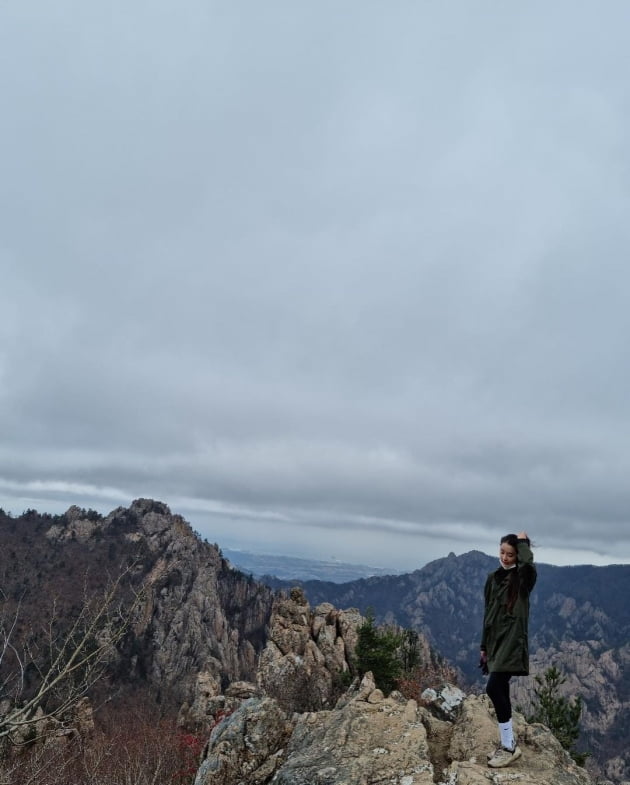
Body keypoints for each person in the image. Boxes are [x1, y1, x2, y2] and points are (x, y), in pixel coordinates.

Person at [480, 531, 536, 768]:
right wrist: (484, 646)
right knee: (500, 688)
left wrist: (523, 543)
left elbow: (528, 566)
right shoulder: (492, 578)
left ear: (518, 556)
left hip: (512, 643)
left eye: (511, 554)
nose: (505, 557)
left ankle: (508, 747)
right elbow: (488, 615)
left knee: (493, 687)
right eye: (502, 552)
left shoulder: (523, 580)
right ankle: (508, 743)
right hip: (495, 642)